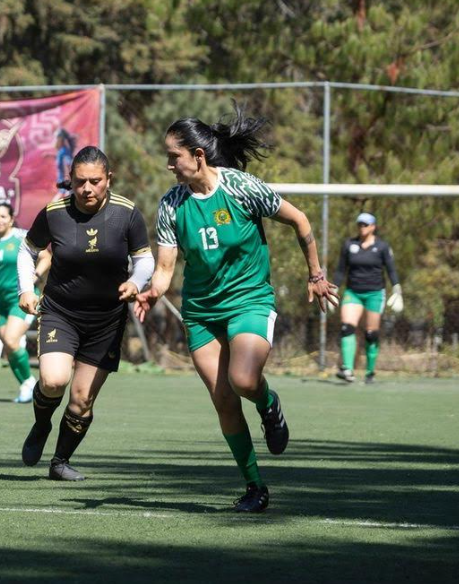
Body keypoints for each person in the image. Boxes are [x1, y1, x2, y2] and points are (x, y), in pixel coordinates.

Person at [135, 105, 338, 512]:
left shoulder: (242, 187)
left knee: (244, 380)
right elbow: (165, 270)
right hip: (201, 312)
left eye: (174, 156)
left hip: (249, 300)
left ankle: (268, 404)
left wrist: (315, 273)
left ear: (198, 155)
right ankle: (254, 486)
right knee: (224, 401)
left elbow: (300, 220)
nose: (169, 165)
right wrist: (151, 292)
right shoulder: (171, 204)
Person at [17, 146, 155, 481]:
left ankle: (60, 461)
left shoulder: (127, 214)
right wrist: (25, 288)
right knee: (53, 381)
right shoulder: (55, 213)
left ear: (109, 179)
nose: (87, 189)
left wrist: (136, 282)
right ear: (71, 180)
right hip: (60, 312)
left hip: (107, 321)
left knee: (81, 400)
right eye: (80, 182)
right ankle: (41, 424)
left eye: (95, 181)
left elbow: (144, 259)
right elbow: (27, 250)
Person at [0, 203, 51, 403]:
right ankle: (27, 384)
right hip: (1, 304)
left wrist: (34, 277)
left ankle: (32, 384)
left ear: (11, 219)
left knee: (12, 340)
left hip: (22, 299)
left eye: (3, 216)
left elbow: (46, 257)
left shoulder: (22, 237)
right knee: (9, 346)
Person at [333, 212, 402, 384]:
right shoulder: (349, 244)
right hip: (353, 292)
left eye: (365, 224)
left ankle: (370, 372)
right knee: (347, 328)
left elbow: (391, 269)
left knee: (371, 334)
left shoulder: (382, 246)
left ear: (373, 227)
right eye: (360, 224)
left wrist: (396, 288)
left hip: (375, 293)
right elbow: (341, 270)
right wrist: (334, 289)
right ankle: (348, 369)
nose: (362, 227)